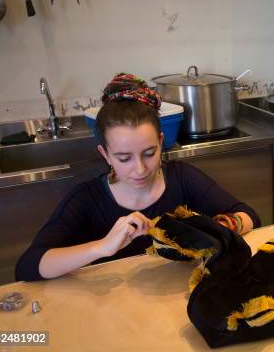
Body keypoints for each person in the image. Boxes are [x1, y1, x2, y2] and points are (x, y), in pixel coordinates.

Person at [15, 74, 261, 281]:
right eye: (124, 158)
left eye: (149, 153)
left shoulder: (182, 177)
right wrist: (102, 246)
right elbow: (28, 266)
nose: (140, 169)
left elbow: (249, 215)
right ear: (106, 155)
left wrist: (211, 229)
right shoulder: (87, 199)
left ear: (161, 142)